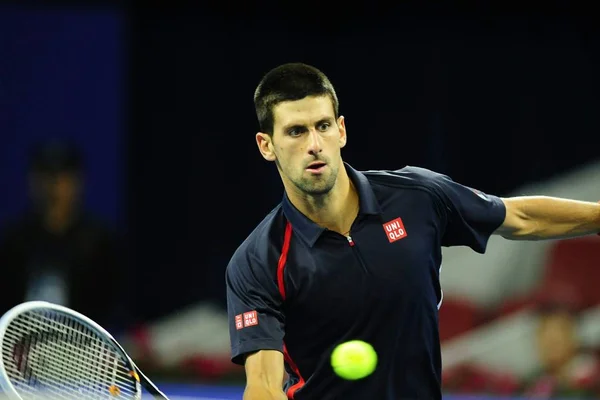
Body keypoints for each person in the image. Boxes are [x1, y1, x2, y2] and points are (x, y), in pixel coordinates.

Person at [224, 63, 600, 400]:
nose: (314, 145)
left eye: (322, 126)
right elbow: (263, 384)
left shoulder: (417, 197)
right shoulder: (258, 261)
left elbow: (520, 217)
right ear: (266, 146)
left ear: (341, 130)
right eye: (295, 132)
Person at [0, 140, 126, 330]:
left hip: (81, 350)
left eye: (62, 177)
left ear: (77, 182)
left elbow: (112, 308)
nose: (53, 187)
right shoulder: (13, 241)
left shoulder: (99, 242)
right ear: (32, 181)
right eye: (46, 176)